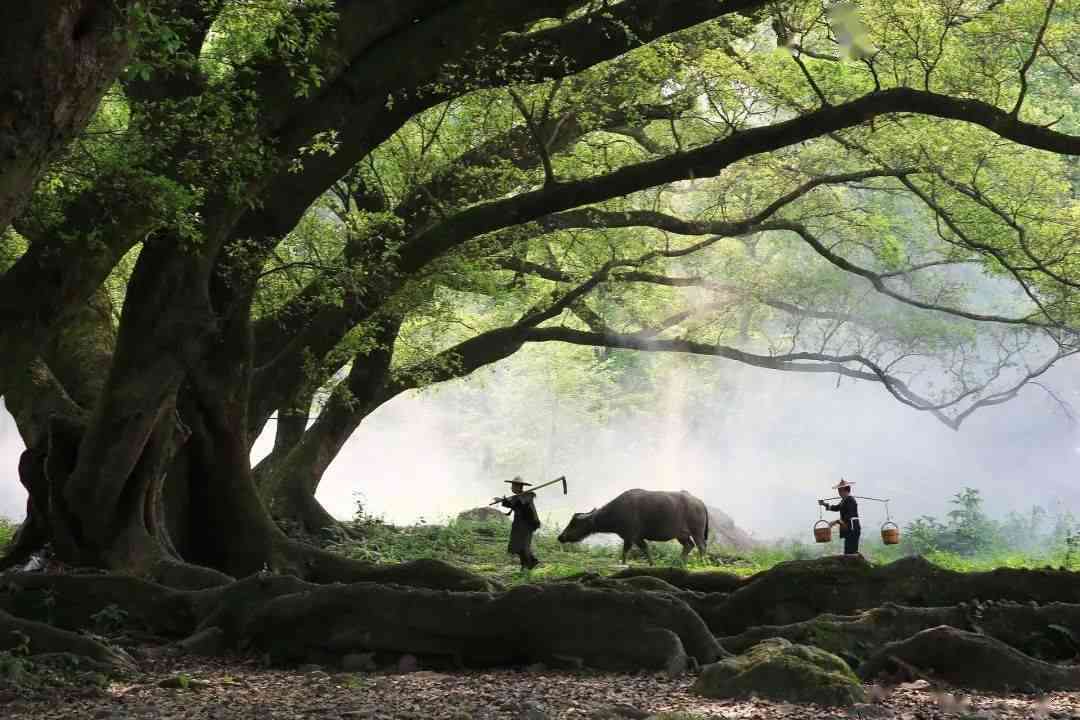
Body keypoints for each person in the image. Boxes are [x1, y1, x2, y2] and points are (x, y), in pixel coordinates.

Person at [496, 476, 541, 570]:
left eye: (513, 486)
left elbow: (520, 503)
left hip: (528, 524)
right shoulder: (516, 497)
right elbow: (510, 504)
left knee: (524, 545)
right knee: (516, 545)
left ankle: (529, 564)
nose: (511, 487)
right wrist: (502, 500)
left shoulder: (528, 495)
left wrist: (514, 498)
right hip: (519, 524)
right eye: (512, 485)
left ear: (518, 486)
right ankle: (528, 563)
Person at [820, 479, 860, 555]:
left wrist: (836, 521)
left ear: (845, 490)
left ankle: (855, 564)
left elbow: (850, 515)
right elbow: (836, 508)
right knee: (848, 551)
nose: (839, 493)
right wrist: (824, 504)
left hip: (853, 528)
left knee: (851, 552)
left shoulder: (850, 500)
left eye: (840, 490)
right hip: (848, 529)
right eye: (838, 491)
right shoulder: (844, 500)